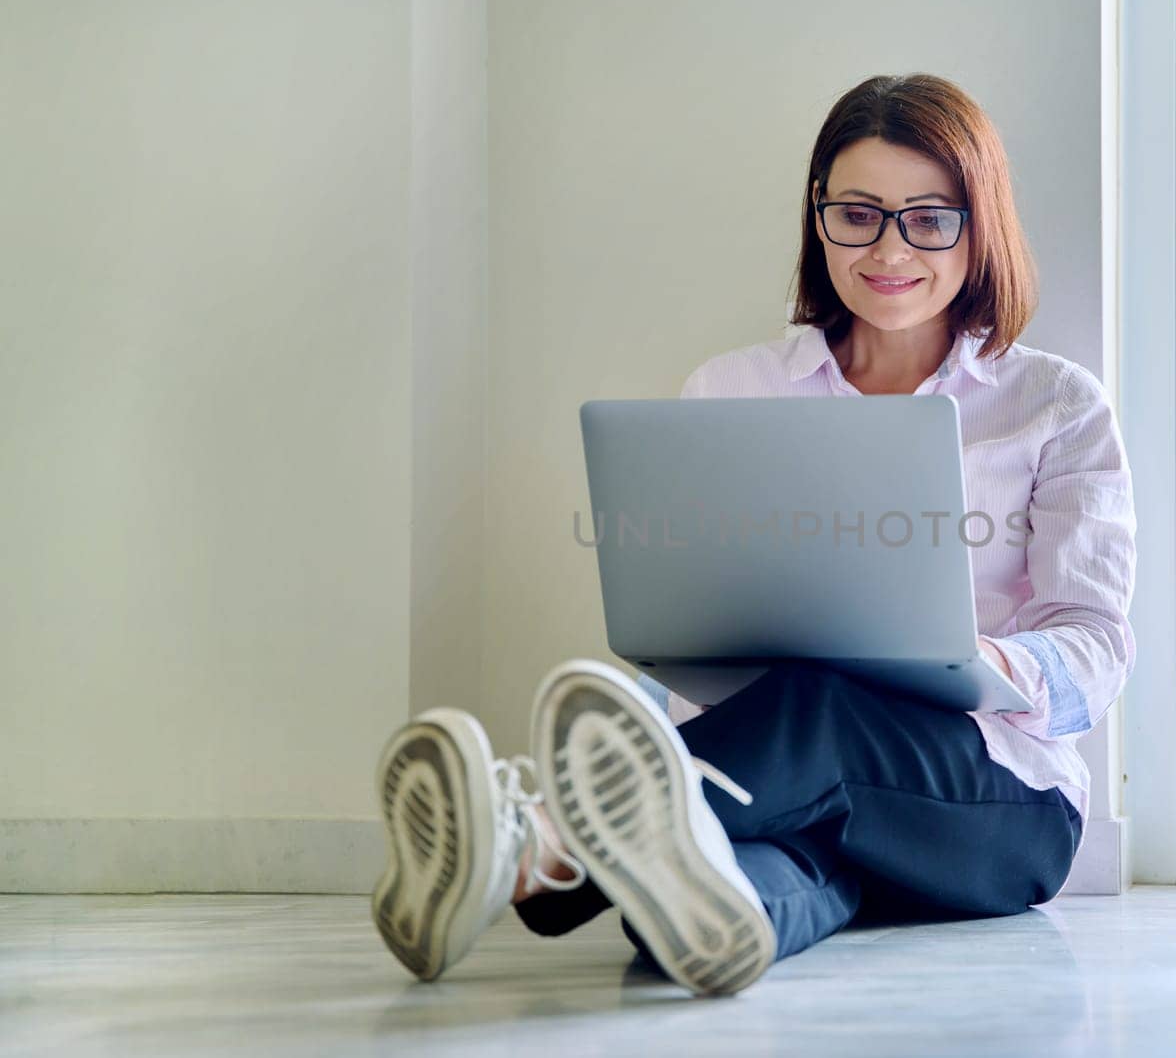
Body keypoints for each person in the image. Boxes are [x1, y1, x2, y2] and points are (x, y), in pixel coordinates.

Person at [370, 72, 1137, 997]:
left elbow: (1096, 645)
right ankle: (688, 903)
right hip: (789, 782)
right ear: (819, 219)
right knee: (703, 889)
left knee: (819, 705)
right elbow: (696, 621)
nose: (890, 246)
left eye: (929, 217)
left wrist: (980, 660)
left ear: (980, 227)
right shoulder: (734, 390)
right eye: (858, 212)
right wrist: (646, 712)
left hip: (996, 803)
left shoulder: (1056, 405)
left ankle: (539, 849)